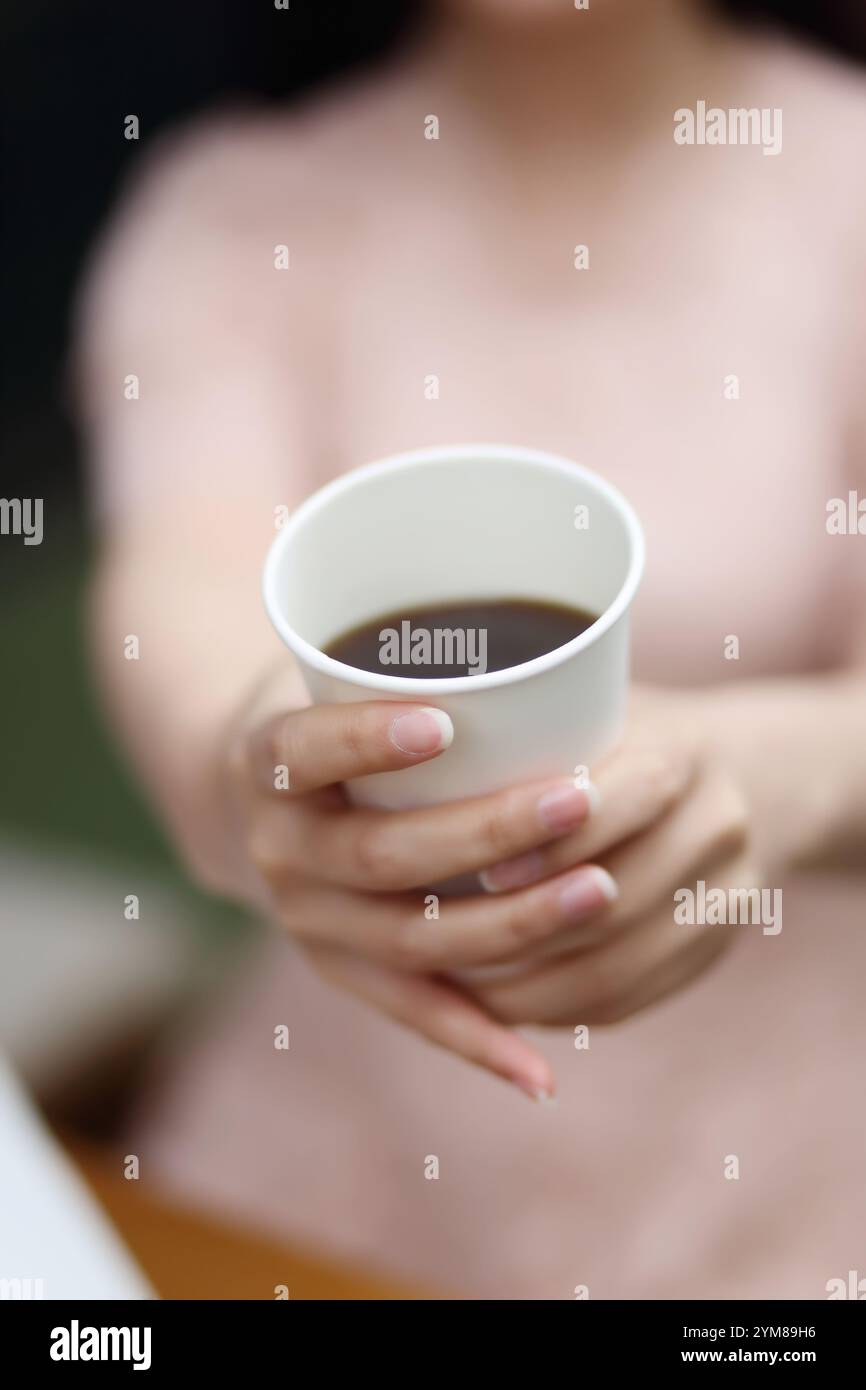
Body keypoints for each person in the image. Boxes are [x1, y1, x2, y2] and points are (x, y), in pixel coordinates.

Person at [77, 0, 866, 1297]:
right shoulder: (242, 215)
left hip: (796, 1178)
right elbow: (185, 591)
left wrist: (767, 777)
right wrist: (257, 763)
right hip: (348, 1158)